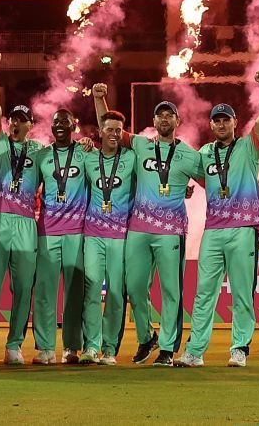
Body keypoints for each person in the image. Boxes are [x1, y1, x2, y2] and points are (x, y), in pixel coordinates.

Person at [177, 75, 259, 368]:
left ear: (235, 123)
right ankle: (195, 352)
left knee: (242, 292)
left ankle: (239, 349)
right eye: (216, 121)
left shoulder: (249, 147)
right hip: (213, 231)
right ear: (212, 125)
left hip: (243, 229)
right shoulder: (205, 153)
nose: (221, 125)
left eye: (226, 120)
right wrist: (183, 186)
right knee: (203, 292)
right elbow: (190, 174)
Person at [121, 96, 202, 366]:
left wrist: (188, 189)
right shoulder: (141, 145)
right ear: (153, 121)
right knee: (133, 288)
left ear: (178, 121)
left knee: (170, 291)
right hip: (139, 228)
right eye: (160, 115)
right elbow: (110, 131)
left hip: (171, 230)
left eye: (170, 115)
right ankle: (147, 336)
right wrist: (99, 98)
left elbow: (211, 180)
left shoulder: (189, 154)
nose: (164, 119)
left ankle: (167, 348)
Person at [0, 53, 44, 364]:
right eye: (13, 119)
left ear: (31, 125)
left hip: (26, 224)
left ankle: (14, 345)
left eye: (23, 120)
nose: (16, 123)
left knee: (22, 288)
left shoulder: (41, 152)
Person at [31, 105, 94, 364]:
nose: (59, 126)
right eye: (56, 122)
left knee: (74, 292)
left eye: (64, 122)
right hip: (48, 231)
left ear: (73, 125)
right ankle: (45, 348)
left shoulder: (86, 153)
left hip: (76, 231)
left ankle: (71, 346)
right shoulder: (42, 156)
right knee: (45, 291)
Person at [79, 106, 138, 365]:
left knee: (116, 293)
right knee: (91, 290)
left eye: (118, 130)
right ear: (100, 132)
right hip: (93, 234)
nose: (114, 134)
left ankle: (110, 349)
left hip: (120, 236)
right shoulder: (87, 156)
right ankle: (91, 346)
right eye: (109, 129)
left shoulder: (132, 158)